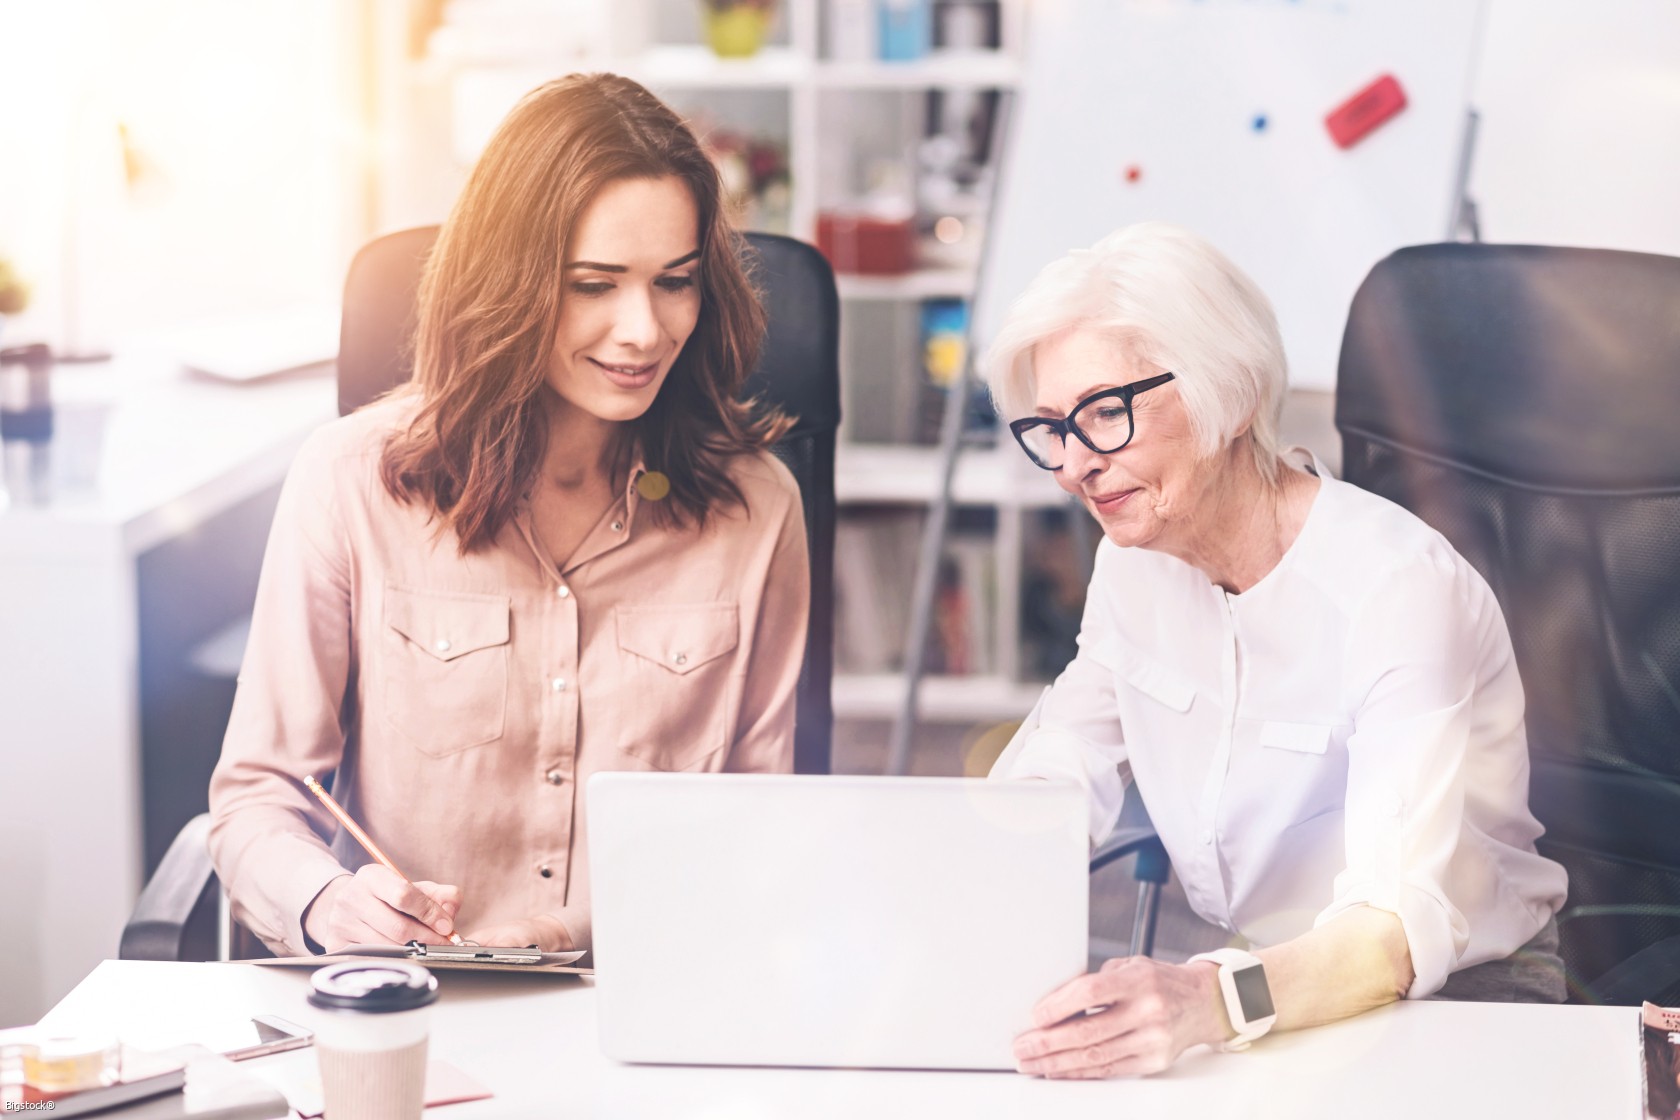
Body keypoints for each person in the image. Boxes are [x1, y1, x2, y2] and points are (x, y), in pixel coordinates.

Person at [207, 73, 809, 958]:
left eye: (673, 282)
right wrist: (327, 903)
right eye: (594, 284)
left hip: (641, 994)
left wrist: (561, 934)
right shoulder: (351, 481)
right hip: (413, 1007)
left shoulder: (756, 508)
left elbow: (763, 823)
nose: (644, 329)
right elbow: (256, 796)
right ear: (510, 282)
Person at [985, 222, 1569, 1078]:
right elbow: (1068, 751)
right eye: (1051, 428)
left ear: (1233, 394)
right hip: (1269, 987)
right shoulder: (1135, 560)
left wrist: (1208, 1002)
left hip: (1467, 997)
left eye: (1106, 414)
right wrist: (973, 854)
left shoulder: (1397, 589)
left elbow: (1393, 930)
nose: (1074, 465)